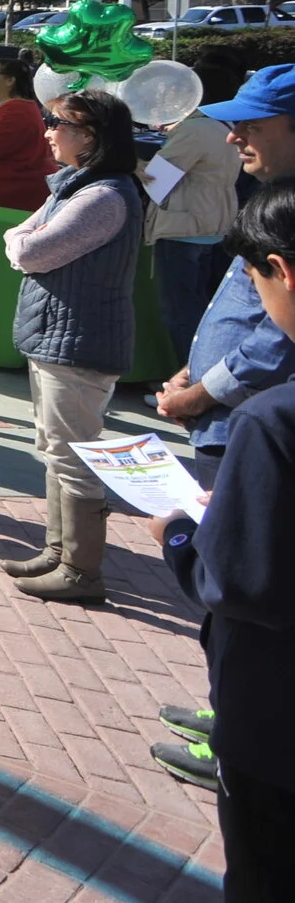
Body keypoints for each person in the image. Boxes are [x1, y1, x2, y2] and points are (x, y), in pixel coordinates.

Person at [148, 178, 295, 897]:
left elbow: (235, 585)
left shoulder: (272, 422)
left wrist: (180, 534)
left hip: (274, 727)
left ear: (283, 272)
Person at [0, 88, 145, 604]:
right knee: (55, 448)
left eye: (57, 123)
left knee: (74, 453)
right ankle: (59, 551)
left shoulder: (102, 197)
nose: (47, 131)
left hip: (80, 341)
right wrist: (22, 241)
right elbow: (22, 236)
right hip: (60, 337)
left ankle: (81, 570)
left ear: (91, 136)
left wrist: (21, 243)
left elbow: (30, 250)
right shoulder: (76, 186)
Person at [161, 64, 295, 478]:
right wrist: (192, 374)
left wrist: (197, 396)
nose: (233, 137)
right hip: (233, 421)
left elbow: (277, 338)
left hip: (249, 428)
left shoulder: (286, 214)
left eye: (251, 126)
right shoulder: (274, 197)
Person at [143, 57, 248, 381]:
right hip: (213, 224)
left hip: (184, 227)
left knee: (181, 312)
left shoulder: (196, 128)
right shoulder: (226, 126)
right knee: (200, 308)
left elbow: (156, 180)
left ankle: (191, 384)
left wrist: (125, 161)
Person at [0, 56, 57, 212]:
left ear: (10, 80)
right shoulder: (14, 108)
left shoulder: (16, 111)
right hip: (3, 198)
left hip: (5, 203)